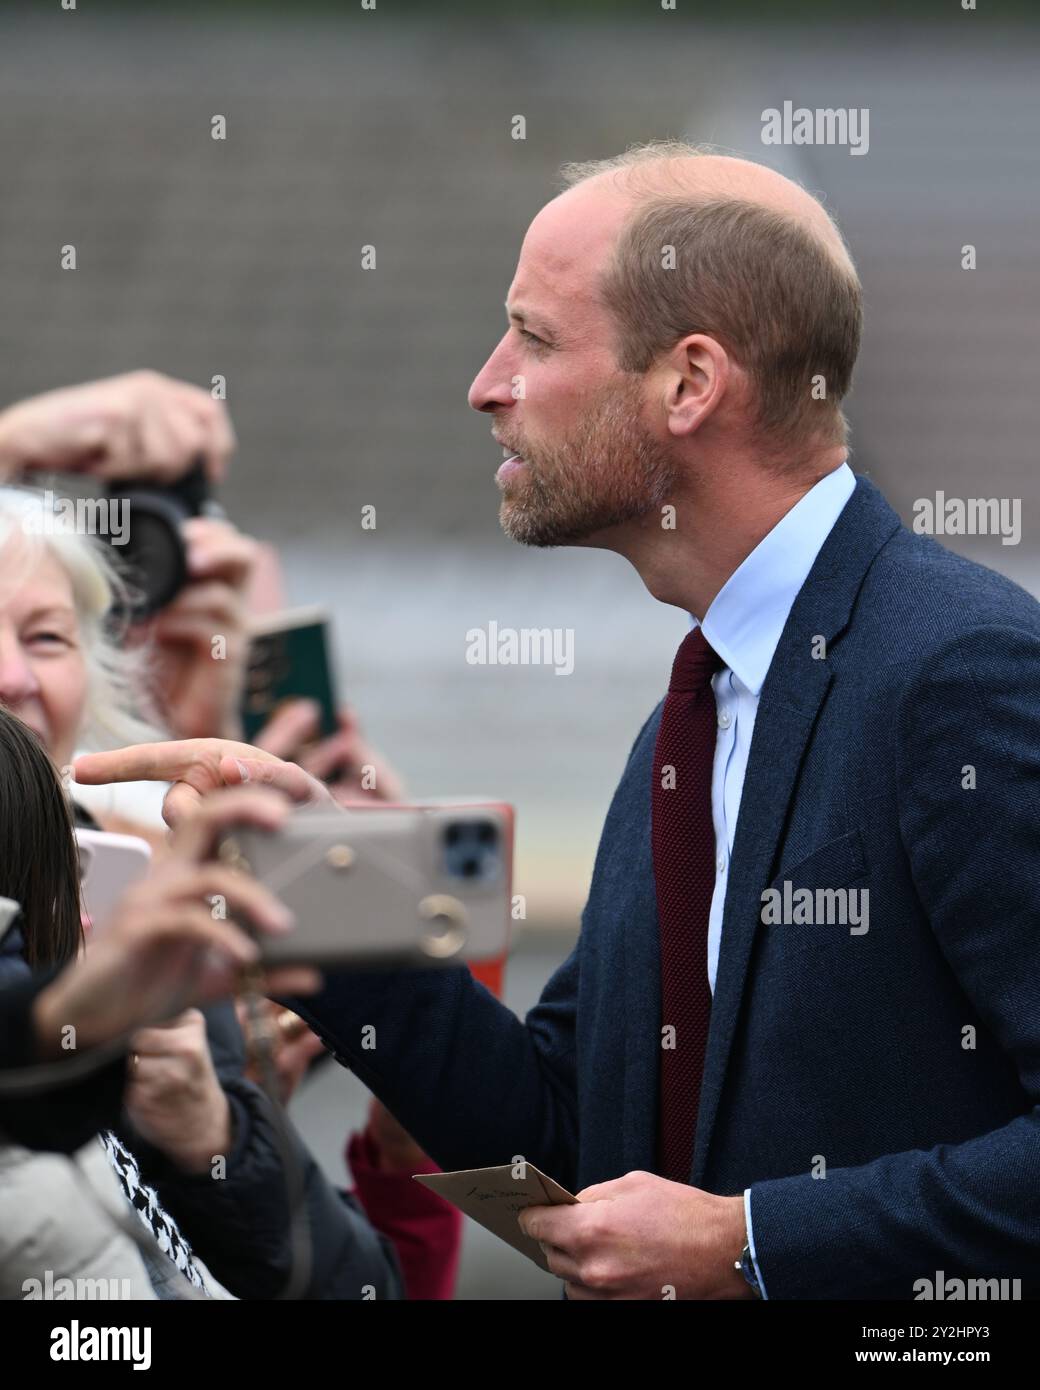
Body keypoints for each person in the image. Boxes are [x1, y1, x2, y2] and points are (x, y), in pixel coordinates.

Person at [77, 140, 1040, 1301]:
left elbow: (711, 1225)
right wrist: (318, 876)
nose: (485, 383)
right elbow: (562, 1135)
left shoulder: (955, 670)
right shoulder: (691, 716)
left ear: (688, 383)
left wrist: (749, 1241)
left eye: (532, 337)